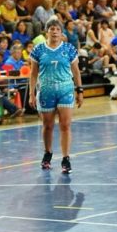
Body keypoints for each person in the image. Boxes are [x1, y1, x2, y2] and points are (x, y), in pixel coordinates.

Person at [29, 17, 83, 174]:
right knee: (48, 125)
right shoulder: (38, 49)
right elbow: (33, 74)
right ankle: (48, 153)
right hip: (46, 90)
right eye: (51, 29)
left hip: (65, 90)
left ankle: (66, 158)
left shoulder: (69, 49)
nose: (54, 31)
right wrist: (32, 94)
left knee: (65, 125)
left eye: (57, 29)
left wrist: (79, 90)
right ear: (47, 32)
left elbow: (76, 71)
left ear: (61, 32)